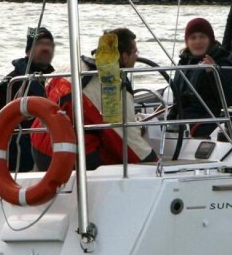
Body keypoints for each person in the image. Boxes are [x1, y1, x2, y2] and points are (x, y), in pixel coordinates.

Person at [31, 27, 158, 170]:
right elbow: (126, 140)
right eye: (135, 52)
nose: (137, 56)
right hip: (67, 154)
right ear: (124, 56)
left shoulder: (71, 66)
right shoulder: (112, 88)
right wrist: (153, 161)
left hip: (38, 143)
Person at [0, 26, 56, 172]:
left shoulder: (57, 79)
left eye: (49, 44)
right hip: (23, 141)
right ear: (28, 51)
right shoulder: (13, 81)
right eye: (39, 44)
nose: (45, 48)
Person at [168, 17, 232, 137]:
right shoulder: (183, 62)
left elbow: (230, 100)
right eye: (193, 37)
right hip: (182, 122)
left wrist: (213, 73)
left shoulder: (223, 62)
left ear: (210, 40)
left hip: (208, 123)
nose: (198, 42)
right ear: (187, 41)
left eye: (202, 37)